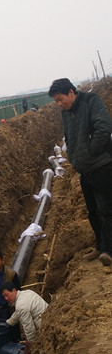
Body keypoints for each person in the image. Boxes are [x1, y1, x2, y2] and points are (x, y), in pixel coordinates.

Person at [48, 78, 112, 266]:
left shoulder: (91, 101)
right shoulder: (66, 113)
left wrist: (91, 152)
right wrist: (74, 156)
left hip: (101, 166)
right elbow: (69, 137)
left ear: (71, 92)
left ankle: (108, 250)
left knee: (106, 209)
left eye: (60, 99)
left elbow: (103, 127)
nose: (59, 104)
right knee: (93, 211)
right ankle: (100, 246)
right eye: (56, 101)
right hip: (85, 169)